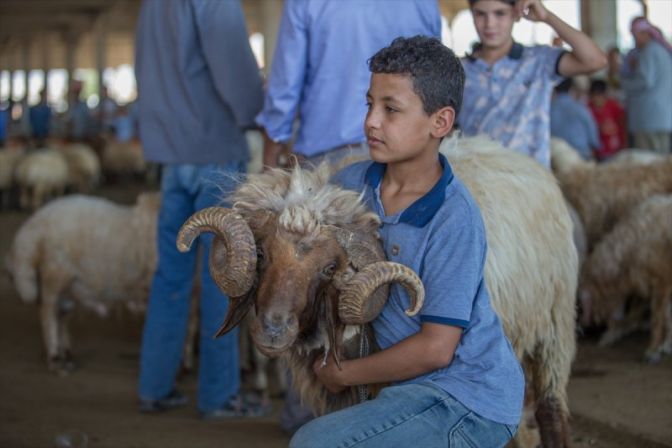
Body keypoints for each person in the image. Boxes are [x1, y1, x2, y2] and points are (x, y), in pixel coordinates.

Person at [290, 36, 524, 448]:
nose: (371, 122)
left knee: (314, 444)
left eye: (391, 110)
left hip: (464, 398)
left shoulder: (453, 218)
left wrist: (343, 374)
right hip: (409, 390)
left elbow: (437, 349)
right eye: (369, 104)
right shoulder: (350, 186)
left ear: (441, 122)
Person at [135, 0, 265, 418]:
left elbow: (148, 67)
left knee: (170, 274)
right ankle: (218, 395)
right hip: (214, 149)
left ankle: (154, 386)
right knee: (220, 275)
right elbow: (233, 67)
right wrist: (259, 114)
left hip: (172, 156)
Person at [256, 0, 441, 169]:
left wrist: (270, 158)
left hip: (329, 157)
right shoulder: (425, 3)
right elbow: (436, 77)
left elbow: (285, 86)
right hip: (405, 157)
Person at [459, 0, 606, 168]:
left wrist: (547, 17)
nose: (489, 23)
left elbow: (595, 60)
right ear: (472, 14)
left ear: (515, 13)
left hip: (531, 184)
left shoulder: (538, 60)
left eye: (500, 13)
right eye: (480, 14)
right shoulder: (459, 70)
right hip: (479, 182)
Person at [621, 17, 672, 153]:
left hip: (648, 118)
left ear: (645, 33)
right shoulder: (661, 51)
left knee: (649, 164)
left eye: (635, 35)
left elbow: (644, 81)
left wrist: (624, 84)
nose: (634, 39)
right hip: (661, 118)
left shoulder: (649, 51)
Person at [550, 77, 600, 160]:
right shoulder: (580, 108)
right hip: (581, 156)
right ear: (571, 88)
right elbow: (593, 138)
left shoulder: (547, 111)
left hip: (555, 158)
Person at [588, 79, 626, 161]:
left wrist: (624, 143)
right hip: (598, 151)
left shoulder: (613, 106)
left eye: (599, 95)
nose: (596, 99)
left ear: (605, 95)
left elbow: (622, 122)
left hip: (615, 149)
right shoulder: (588, 109)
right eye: (594, 96)